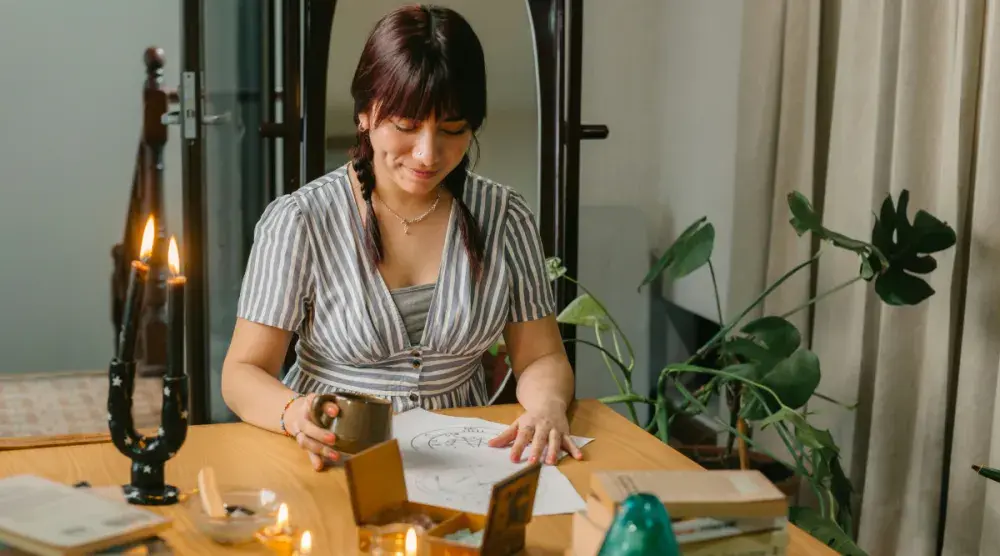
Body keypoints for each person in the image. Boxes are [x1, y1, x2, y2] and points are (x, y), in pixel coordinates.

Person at [220, 4, 580, 471]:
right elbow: (242, 373)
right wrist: (292, 413)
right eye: (407, 127)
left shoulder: (504, 216)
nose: (428, 153)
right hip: (328, 454)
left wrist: (547, 405)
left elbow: (540, 356)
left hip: (464, 461)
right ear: (366, 115)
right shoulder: (301, 220)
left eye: (453, 130)